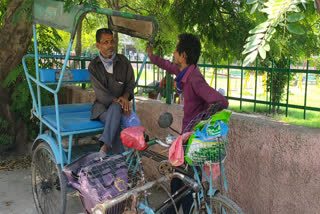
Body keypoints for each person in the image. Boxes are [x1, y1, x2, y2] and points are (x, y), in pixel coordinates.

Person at [146, 33, 228, 213]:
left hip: (194, 141)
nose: (173, 53)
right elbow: (168, 66)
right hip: (187, 139)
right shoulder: (186, 72)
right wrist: (152, 56)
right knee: (179, 183)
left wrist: (203, 118)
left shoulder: (194, 79)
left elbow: (221, 101)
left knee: (185, 186)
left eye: (176, 50)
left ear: (183, 55)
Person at [89, 28, 135, 154]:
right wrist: (119, 102)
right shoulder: (94, 66)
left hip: (119, 106)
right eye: (105, 42)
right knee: (114, 114)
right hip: (101, 107)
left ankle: (104, 146)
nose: (110, 45)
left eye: (111, 41)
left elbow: (130, 83)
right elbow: (101, 93)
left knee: (115, 110)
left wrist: (125, 97)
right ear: (98, 45)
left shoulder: (123, 61)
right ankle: (120, 160)